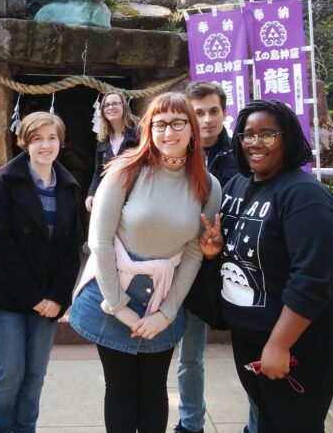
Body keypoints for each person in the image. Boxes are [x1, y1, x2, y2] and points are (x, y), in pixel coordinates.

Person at [70, 92, 222, 433]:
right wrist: (118, 306)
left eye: (178, 123)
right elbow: (100, 241)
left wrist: (166, 313)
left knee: (154, 389)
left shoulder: (208, 186)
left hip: (164, 293)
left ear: (192, 128)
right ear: (148, 129)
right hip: (113, 289)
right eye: (160, 123)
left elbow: (194, 252)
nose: (169, 132)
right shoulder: (125, 171)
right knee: (120, 389)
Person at [209, 99, 333, 433]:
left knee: (295, 425)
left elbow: (312, 278)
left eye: (267, 134)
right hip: (250, 333)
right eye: (248, 134)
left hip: (300, 340)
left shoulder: (306, 197)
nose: (255, 142)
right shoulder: (237, 185)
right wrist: (215, 250)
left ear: (287, 138)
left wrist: (279, 344)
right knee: (268, 420)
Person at [0, 111, 84, 433]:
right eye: (37, 138)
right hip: (8, 296)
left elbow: (73, 247)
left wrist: (57, 297)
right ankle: (1, 428)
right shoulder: (6, 180)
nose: (45, 145)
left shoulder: (68, 186)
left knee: (35, 374)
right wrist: (32, 297)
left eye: (51, 138)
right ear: (24, 142)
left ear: (60, 142)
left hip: (49, 299)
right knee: (9, 373)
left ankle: (26, 428)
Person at [175, 81, 241, 433]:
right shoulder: (175, 153)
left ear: (224, 112)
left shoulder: (243, 154)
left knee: (250, 353)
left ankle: (257, 424)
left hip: (238, 267)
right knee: (190, 356)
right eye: (198, 112)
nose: (206, 119)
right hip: (189, 268)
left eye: (213, 111)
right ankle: (191, 423)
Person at [86, 91, 139, 212]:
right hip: (111, 196)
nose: (111, 107)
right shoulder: (102, 140)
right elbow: (99, 171)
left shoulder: (138, 133)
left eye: (115, 103)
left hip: (135, 195)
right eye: (107, 105)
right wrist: (91, 194)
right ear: (102, 111)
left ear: (123, 106)